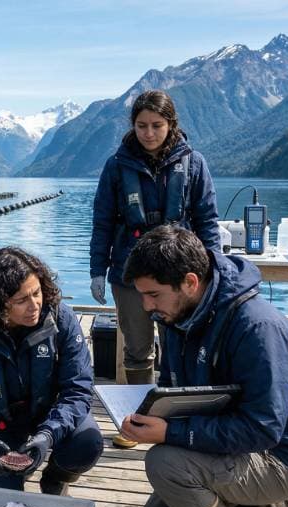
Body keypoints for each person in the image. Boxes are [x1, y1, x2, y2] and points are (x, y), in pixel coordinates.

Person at [119, 226, 288, 507]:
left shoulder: (258, 328)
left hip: (280, 456)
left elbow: (264, 430)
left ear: (191, 282)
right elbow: (177, 389)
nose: (147, 306)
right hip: (229, 446)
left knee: (165, 463)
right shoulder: (175, 315)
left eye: (153, 295)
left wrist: (170, 433)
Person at [89, 90, 221, 450]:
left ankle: (177, 421)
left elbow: (207, 221)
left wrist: (215, 268)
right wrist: (97, 269)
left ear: (171, 124)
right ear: (133, 126)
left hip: (180, 272)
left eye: (157, 125)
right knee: (136, 350)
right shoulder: (117, 166)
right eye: (142, 125)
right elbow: (102, 220)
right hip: (130, 274)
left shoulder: (194, 164)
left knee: (180, 347)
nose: (149, 132)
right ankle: (136, 420)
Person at [0, 247, 103, 494]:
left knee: (88, 442)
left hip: (49, 415)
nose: (35, 305)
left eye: (37, 293)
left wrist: (49, 434)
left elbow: (78, 390)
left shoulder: (62, 319)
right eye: (21, 300)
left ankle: (54, 477)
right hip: (0, 425)